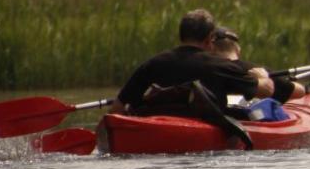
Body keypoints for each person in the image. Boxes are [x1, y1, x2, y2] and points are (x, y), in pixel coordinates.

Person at [110, 10, 297, 114]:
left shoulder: (152, 64)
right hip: (200, 130)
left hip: (157, 125)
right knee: (240, 103)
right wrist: (262, 76)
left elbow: (117, 108)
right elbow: (266, 90)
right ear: (210, 39)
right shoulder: (220, 66)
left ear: (181, 36)